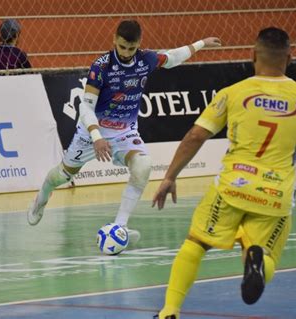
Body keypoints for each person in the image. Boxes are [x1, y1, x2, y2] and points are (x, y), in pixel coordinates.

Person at [152, 27, 296, 318]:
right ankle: (255, 261)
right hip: (276, 195)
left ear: (253, 54)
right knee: (264, 253)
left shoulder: (234, 93)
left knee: (196, 242)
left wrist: (169, 177)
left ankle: (170, 311)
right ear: (289, 58)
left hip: (232, 187)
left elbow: (195, 136)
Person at [27, 20, 221, 244]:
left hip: (125, 132)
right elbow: (85, 106)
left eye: (131, 48)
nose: (127, 53)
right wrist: (97, 137)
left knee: (143, 166)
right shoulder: (101, 66)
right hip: (92, 131)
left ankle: (119, 226)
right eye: (122, 47)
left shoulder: (146, 59)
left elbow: (172, 57)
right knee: (61, 175)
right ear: (114, 41)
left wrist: (201, 43)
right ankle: (42, 197)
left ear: (139, 44)